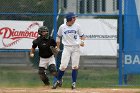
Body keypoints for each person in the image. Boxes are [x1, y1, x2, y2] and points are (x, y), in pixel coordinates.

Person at [52, 12, 85, 89]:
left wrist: (82, 42)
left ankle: (73, 83)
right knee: (63, 66)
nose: (75, 19)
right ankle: (58, 81)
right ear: (69, 19)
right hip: (67, 48)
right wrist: (57, 47)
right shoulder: (62, 27)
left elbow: (82, 36)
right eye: (73, 18)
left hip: (76, 48)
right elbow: (58, 37)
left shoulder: (77, 26)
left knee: (75, 66)